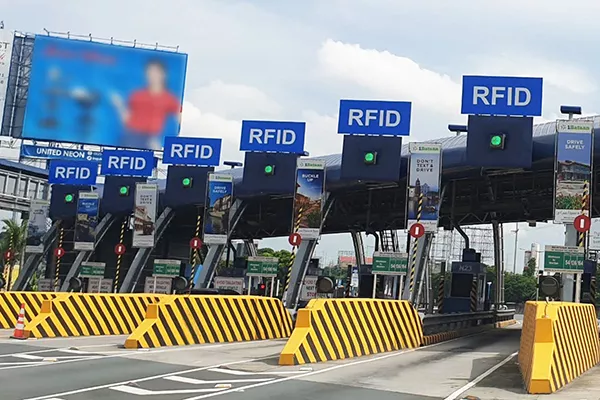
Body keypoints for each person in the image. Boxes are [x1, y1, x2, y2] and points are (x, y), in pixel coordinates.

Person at [111, 59, 182, 150]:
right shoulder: (137, 95)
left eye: (156, 72)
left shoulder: (170, 98)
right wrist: (119, 106)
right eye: (150, 72)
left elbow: (179, 119)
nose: (153, 76)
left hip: (151, 139)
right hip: (131, 137)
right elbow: (127, 120)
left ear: (163, 74)